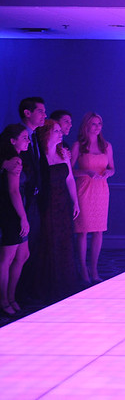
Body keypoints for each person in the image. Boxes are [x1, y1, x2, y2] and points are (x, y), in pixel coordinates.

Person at [36, 119, 80, 302]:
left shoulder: (63, 153)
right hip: (47, 203)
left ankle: (66, 282)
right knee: (49, 241)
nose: (60, 133)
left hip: (63, 203)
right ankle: (49, 285)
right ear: (47, 133)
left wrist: (75, 202)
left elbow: (69, 179)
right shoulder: (40, 156)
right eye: (56, 130)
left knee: (65, 241)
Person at [71, 112, 114, 284]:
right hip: (84, 190)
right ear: (86, 126)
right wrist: (86, 172)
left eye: (100, 124)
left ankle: (94, 268)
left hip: (101, 190)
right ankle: (83, 269)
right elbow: (69, 170)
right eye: (94, 124)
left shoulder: (106, 146)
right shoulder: (78, 146)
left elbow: (112, 167)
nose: (97, 127)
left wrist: (109, 172)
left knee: (99, 230)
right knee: (83, 231)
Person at [15, 97, 46, 302]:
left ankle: (27, 290)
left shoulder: (36, 137)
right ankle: (16, 293)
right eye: (40, 111)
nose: (44, 115)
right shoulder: (17, 135)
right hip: (22, 200)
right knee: (19, 251)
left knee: (31, 248)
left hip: (35, 200)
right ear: (28, 113)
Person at [0, 124, 32, 315]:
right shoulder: (14, 160)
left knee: (22, 255)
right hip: (11, 212)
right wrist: (23, 217)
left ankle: (11, 296)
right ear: (12, 141)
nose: (28, 140)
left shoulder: (17, 158)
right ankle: (4, 300)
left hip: (17, 210)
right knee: (7, 258)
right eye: (24, 137)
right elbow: (13, 191)